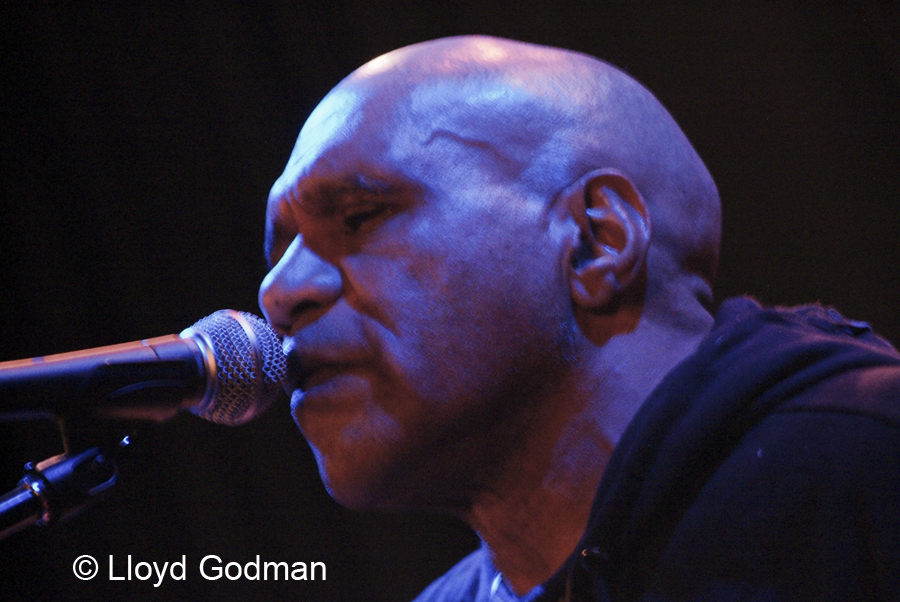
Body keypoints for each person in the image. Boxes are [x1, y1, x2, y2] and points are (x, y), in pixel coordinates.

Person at [258, 36, 900, 601]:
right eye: (279, 251)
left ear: (599, 240)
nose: (278, 291)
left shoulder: (868, 470)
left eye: (359, 216)